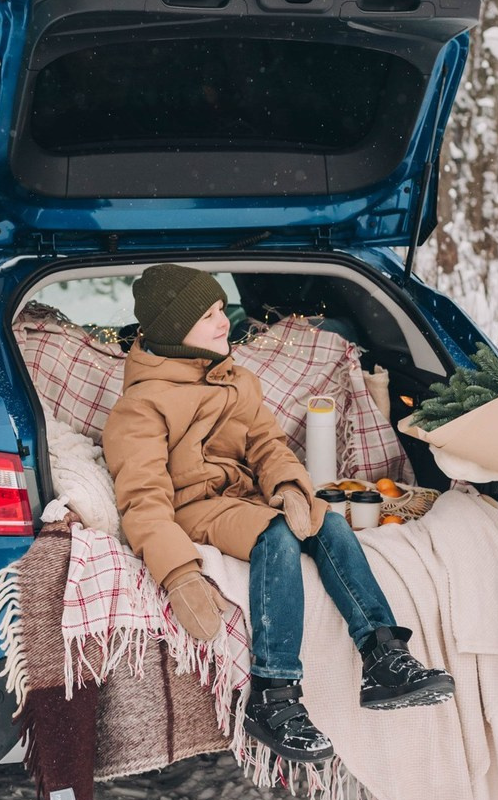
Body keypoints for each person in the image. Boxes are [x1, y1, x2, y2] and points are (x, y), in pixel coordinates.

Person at [102, 263, 454, 765]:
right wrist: (178, 573)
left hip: (244, 497)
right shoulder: (140, 406)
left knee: (327, 520)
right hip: (193, 508)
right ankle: (273, 694)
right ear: (176, 330)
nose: (224, 320)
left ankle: (383, 656)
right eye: (208, 315)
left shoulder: (236, 379)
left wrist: (289, 486)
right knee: (278, 534)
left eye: (221, 308)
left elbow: (268, 445)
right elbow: (143, 498)